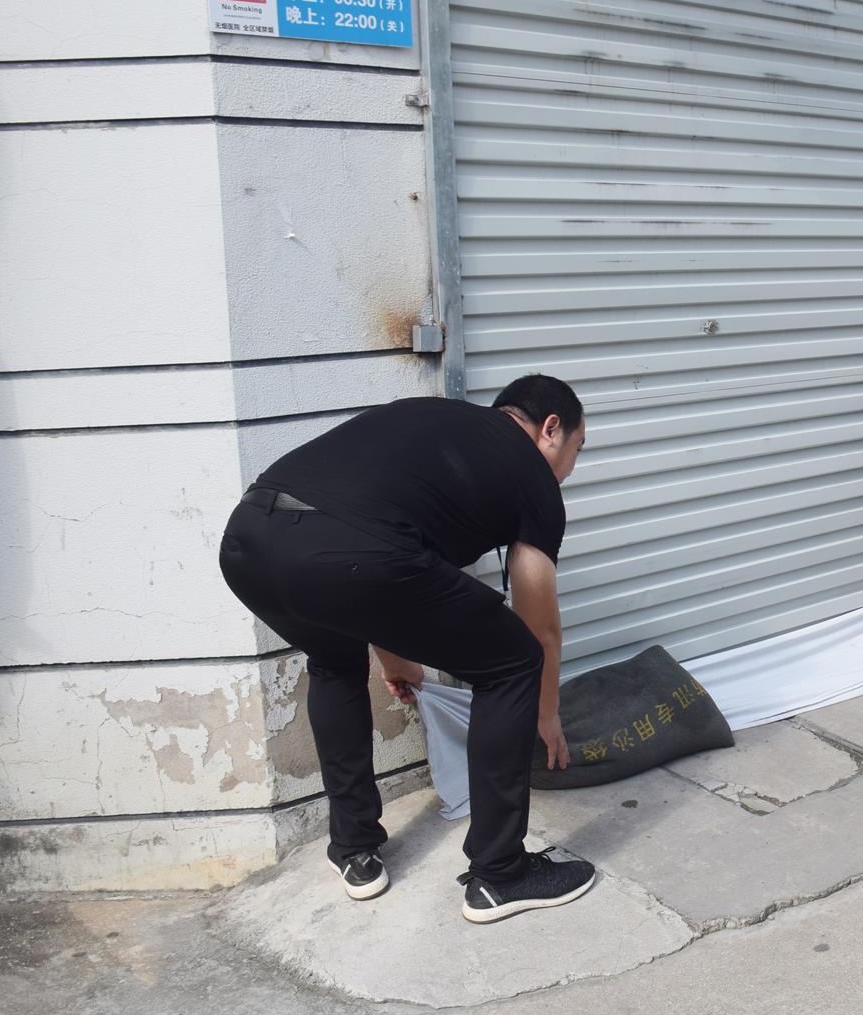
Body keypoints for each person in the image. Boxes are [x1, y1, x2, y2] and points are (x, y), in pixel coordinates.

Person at [218, 376, 594, 925]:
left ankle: (353, 849)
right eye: (577, 450)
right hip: (347, 553)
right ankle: (501, 874)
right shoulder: (531, 474)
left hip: (249, 541)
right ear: (550, 429)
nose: (570, 469)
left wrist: (395, 657)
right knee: (513, 663)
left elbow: (374, 527)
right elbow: (539, 629)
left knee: (334, 662)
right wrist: (546, 710)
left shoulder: (433, 419)